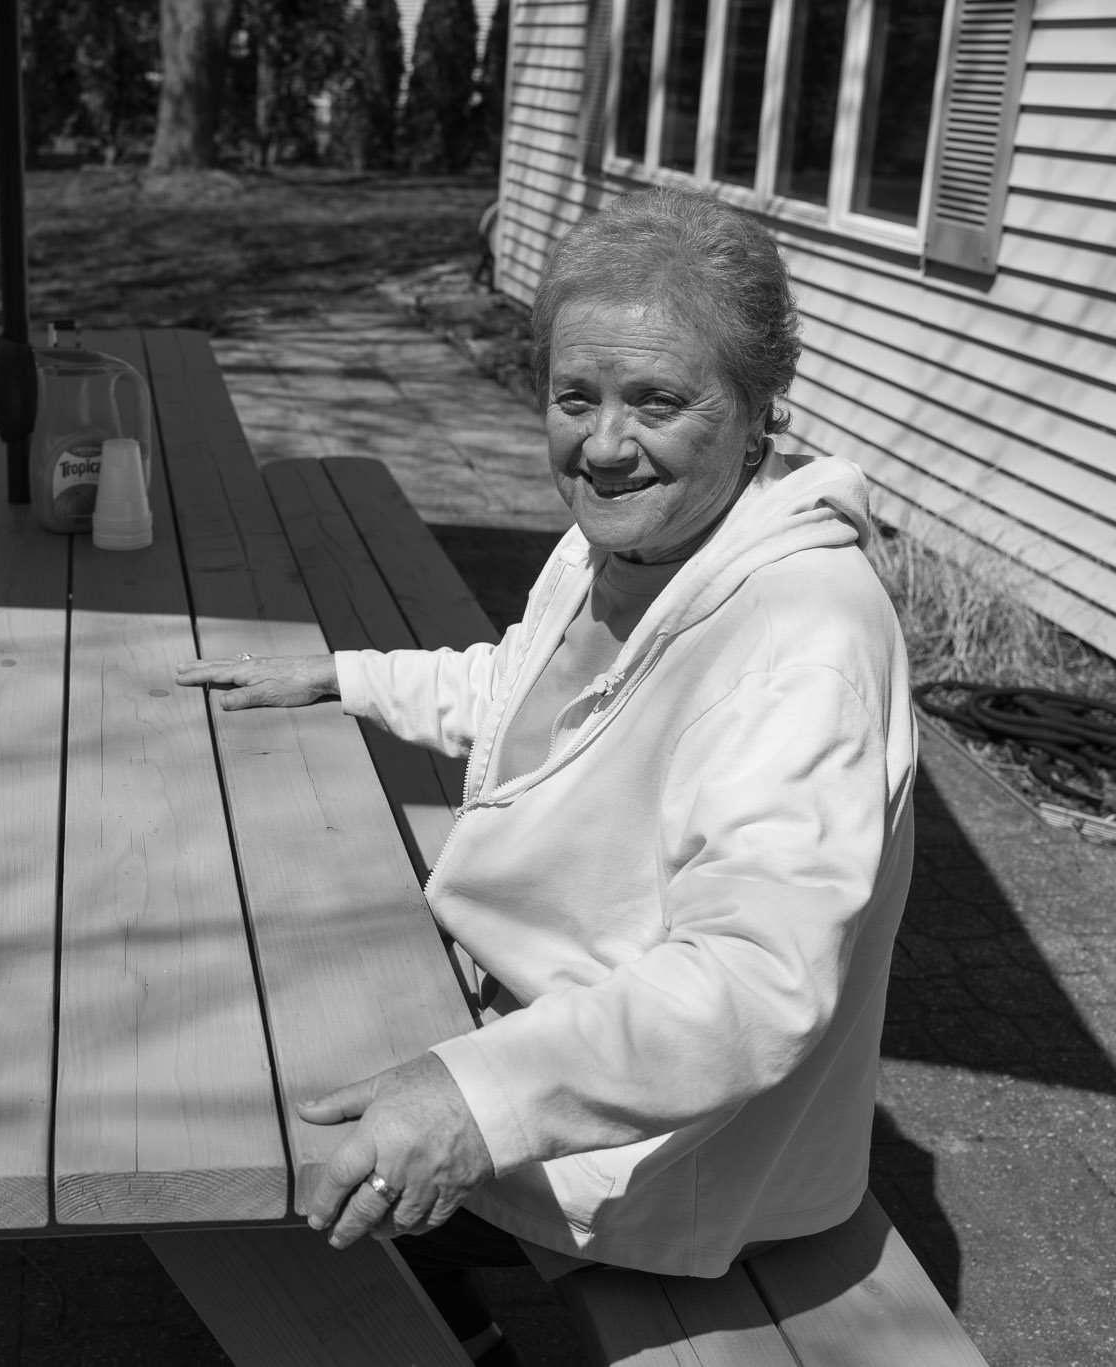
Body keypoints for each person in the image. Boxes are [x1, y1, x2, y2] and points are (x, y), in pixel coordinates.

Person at [177, 186, 915, 1367]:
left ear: (756, 413)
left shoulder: (800, 643)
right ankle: (449, 1323)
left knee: (233, 1094)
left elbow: (753, 983)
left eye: (658, 401)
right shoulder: (622, 543)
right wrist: (345, 676)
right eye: (576, 397)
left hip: (671, 1158)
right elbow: (526, 690)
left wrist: (473, 1099)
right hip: (550, 1026)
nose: (604, 444)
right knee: (247, 996)